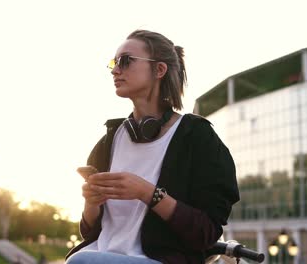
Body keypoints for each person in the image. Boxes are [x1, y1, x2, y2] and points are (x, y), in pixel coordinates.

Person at [65, 29, 239, 264]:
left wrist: (147, 193)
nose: (116, 70)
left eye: (125, 61)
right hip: (98, 255)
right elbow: (90, 232)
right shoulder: (109, 141)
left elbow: (205, 233)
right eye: (113, 63)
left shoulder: (197, 138)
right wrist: (91, 202)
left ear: (159, 70)